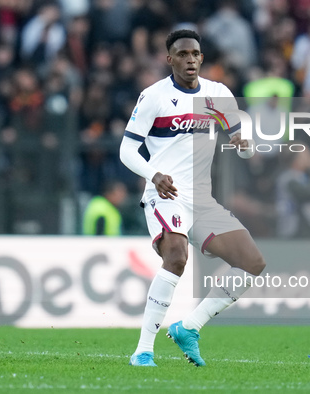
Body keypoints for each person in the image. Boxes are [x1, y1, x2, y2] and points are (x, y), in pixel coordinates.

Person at [119, 29, 266, 367]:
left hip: (202, 200)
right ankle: (143, 350)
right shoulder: (154, 96)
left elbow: (242, 145)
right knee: (176, 256)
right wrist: (154, 175)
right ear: (169, 59)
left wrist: (245, 146)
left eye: (195, 54)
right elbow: (127, 148)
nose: (190, 60)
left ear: (202, 58)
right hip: (166, 193)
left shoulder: (218, 94)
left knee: (253, 263)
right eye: (182, 54)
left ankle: (189, 326)